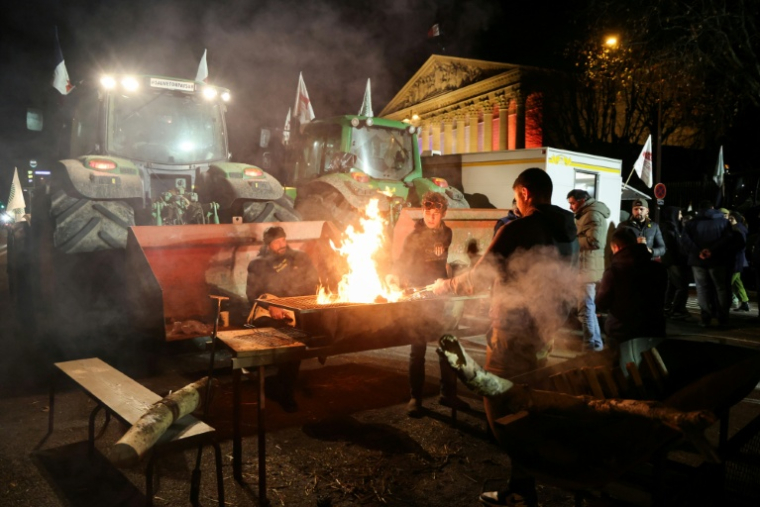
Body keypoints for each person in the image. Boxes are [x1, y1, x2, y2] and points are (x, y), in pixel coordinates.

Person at [432, 168, 579, 507]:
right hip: (545, 334)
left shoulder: (521, 227)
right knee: (528, 404)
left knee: (500, 407)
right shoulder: (567, 230)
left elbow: (480, 275)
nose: (515, 202)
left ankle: (522, 488)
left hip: (512, 333)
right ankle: (525, 481)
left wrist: (447, 286)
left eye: (516, 196)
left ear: (525, 193)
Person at [390, 191, 470, 416]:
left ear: (443, 213)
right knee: (418, 348)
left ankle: (449, 394)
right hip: (419, 296)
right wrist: (398, 278)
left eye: (435, 213)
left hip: (440, 295)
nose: (431, 217)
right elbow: (402, 263)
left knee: (448, 344)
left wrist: (447, 278)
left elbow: (443, 261)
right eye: (427, 212)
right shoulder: (414, 235)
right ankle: (415, 397)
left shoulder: (447, 233)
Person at [246, 226, 320, 412]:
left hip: (297, 308)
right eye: (277, 241)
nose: (282, 244)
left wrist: (305, 304)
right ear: (268, 244)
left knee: (313, 333)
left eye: (283, 240)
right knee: (291, 340)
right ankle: (284, 392)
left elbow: (313, 282)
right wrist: (271, 306)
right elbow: (251, 293)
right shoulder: (258, 264)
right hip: (268, 309)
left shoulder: (300, 258)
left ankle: (281, 383)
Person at [595, 228, 667, 353]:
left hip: (622, 331)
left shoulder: (614, 271)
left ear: (616, 247)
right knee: (650, 368)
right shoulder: (658, 268)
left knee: (620, 368)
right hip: (654, 328)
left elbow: (602, 303)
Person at [680, 200, 736, 327]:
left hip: (697, 260)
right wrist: (712, 250)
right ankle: (723, 318)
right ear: (712, 208)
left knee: (702, 289)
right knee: (721, 288)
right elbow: (728, 239)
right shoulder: (723, 222)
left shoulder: (691, 223)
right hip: (718, 260)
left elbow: (685, 241)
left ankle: (706, 318)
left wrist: (699, 251)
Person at [567, 189, 610, 351]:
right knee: (588, 310)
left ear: (582, 200)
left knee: (585, 310)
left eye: (572, 203)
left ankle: (590, 346)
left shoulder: (592, 215)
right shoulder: (586, 214)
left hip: (587, 270)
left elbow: (596, 241)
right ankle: (596, 345)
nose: (571, 207)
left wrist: (573, 240)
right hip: (585, 268)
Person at [660, 206, 690, 318]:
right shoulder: (669, 228)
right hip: (673, 261)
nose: (681, 216)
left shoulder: (669, 226)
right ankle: (677, 310)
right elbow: (672, 245)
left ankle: (667, 307)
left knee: (672, 286)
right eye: (679, 214)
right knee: (682, 286)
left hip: (671, 260)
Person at [728, 211, 750, 312]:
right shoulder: (739, 228)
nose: (729, 220)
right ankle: (745, 302)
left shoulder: (737, 229)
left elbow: (740, 246)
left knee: (728, 283)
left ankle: (722, 305)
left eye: (731, 218)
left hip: (736, 261)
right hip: (738, 261)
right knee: (737, 282)